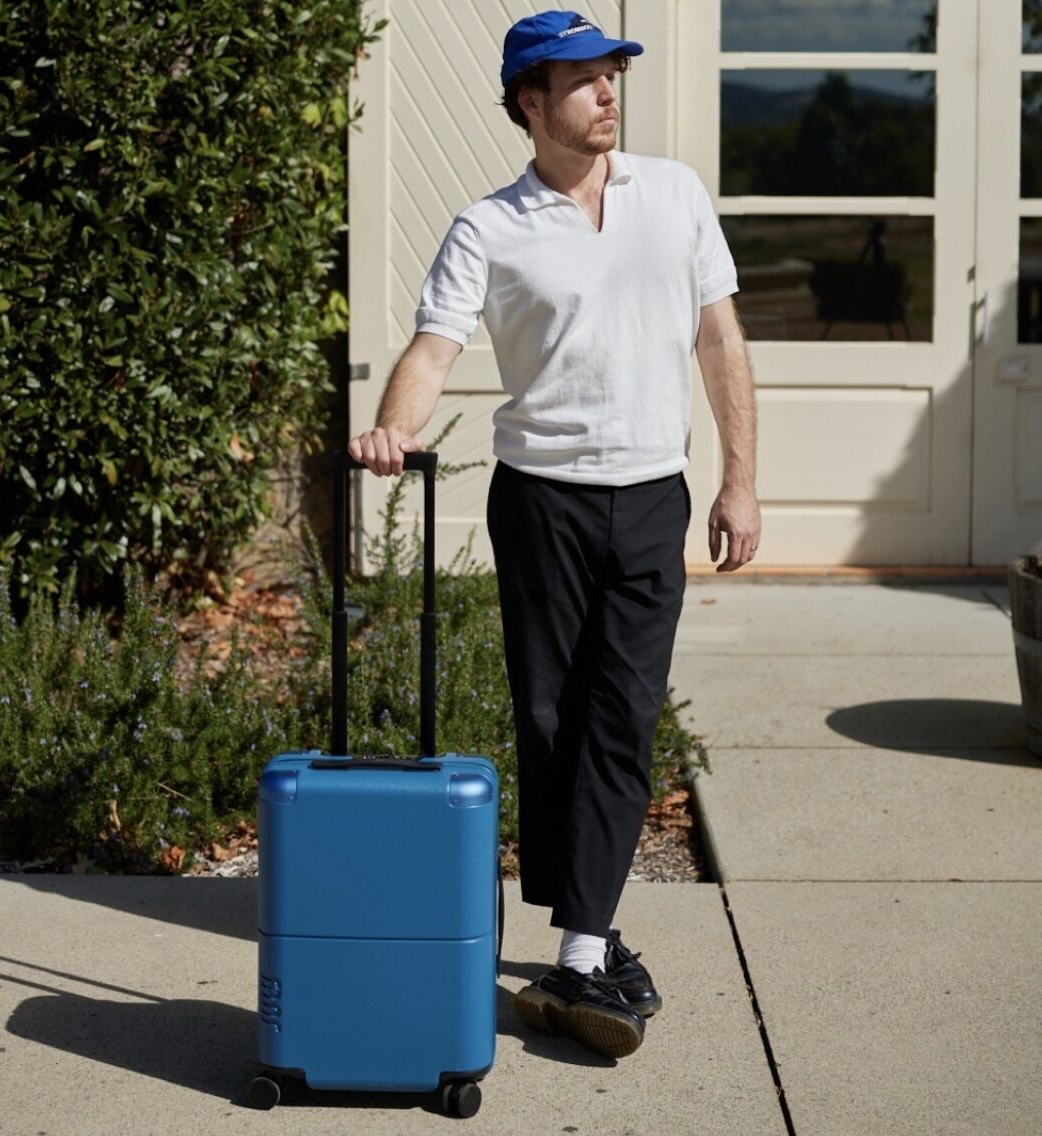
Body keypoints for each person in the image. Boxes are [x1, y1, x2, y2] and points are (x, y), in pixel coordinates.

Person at [348, 10, 760, 1060]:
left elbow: (719, 341)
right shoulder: (489, 227)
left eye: (610, 74)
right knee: (549, 714)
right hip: (541, 500)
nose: (606, 94)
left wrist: (738, 482)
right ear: (528, 103)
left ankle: (580, 945)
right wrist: (393, 426)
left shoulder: (672, 195)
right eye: (581, 81)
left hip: (649, 495)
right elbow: (432, 347)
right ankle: (584, 940)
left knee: (619, 715)